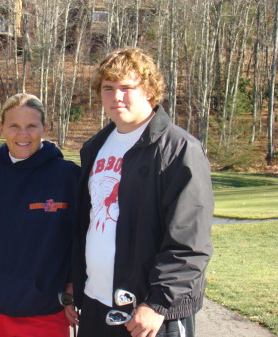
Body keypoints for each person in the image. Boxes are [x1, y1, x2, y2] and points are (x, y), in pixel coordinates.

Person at [72, 48, 214, 337]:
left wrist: (159, 303)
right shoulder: (95, 147)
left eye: (127, 88)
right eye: (108, 88)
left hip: (147, 314)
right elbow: (86, 223)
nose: (116, 97)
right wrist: (72, 285)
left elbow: (190, 240)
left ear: (149, 91)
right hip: (96, 302)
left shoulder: (178, 150)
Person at [0, 93, 80, 337]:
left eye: (31, 126)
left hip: (48, 311)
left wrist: (73, 283)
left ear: (45, 128)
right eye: (14, 126)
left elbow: (84, 237)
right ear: (1, 128)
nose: (23, 134)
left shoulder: (68, 176)